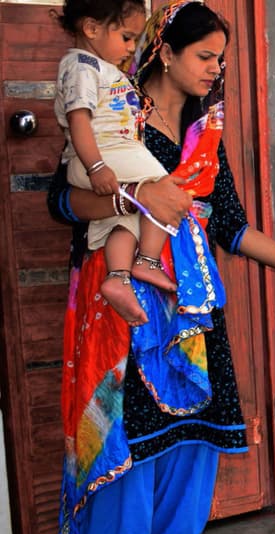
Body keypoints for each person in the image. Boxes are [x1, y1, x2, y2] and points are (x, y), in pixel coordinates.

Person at [47, 3, 275, 534]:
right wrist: (137, 196)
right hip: (125, 311)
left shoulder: (204, 136)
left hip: (191, 312)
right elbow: (61, 201)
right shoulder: (119, 109)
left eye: (221, 58)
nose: (217, 68)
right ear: (166, 53)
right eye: (205, 55)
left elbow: (231, 226)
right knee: (126, 451)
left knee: (189, 460)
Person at [54, 0, 180, 327]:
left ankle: (118, 276)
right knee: (166, 191)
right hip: (103, 154)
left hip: (112, 154)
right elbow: (79, 119)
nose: (130, 48)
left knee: (125, 219)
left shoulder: (101, 67)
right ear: (91, 28)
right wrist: (96, 166)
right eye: (126, 37)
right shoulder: (82, 67)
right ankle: (147, 260)